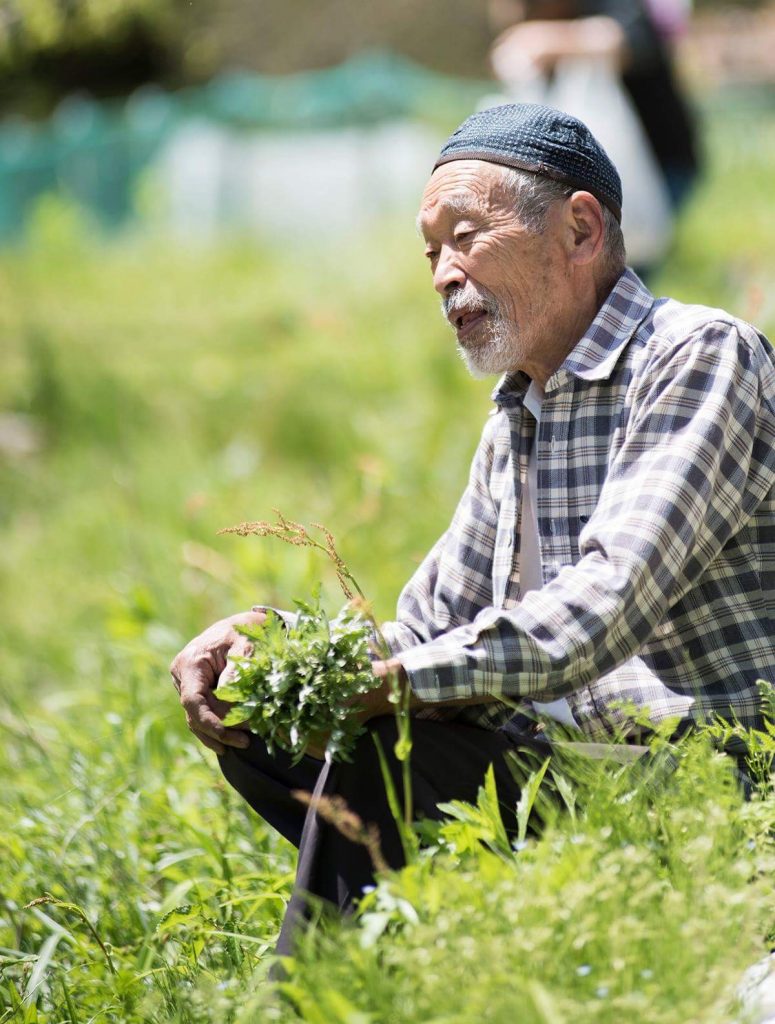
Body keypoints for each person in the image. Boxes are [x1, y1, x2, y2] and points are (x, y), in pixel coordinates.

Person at [170, 103, 775, 958]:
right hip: (573, 778)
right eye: (429, 253)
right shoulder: (517, 414)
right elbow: (425, 631)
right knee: (271, 721)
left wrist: (391, 681)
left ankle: (315, 994)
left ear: (578, 228)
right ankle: (415, 969)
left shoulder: (696, 357)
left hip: (704, 789)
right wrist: (281, 656)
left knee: (379, 734)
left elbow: (601, 608)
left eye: (464, 237)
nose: (441, 275)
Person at [488, 0, 700, 212]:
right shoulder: (526, 23)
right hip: (585, 173)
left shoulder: (610, 5)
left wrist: (551, 40)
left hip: (661, 163)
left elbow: (634, 41)